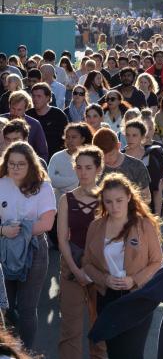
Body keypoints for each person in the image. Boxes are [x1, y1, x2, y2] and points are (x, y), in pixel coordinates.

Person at [82, 172, 162, 359]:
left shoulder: (144, 225)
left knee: (132, 353)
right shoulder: (96, 227)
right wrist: (104, 279)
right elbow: (86, 263)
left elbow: (157, 261)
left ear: (128, 197)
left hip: (138, 297)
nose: (114, 206)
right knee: (115, 352)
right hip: (107, 298)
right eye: (108, 202)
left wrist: (134, 280)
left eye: (119, 200)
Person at [0, 142, 56, 349]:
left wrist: (21, 232)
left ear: (31, 164)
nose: (15, 168)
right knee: (3, 305)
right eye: (11, 163)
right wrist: (3, 231)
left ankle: (25, 352)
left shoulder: (43, 186)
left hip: (34, 250)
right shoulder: (1, 182)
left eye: (20, 164)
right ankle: (6, 351)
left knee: (27, 308)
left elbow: (47, 223)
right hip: (4, 249)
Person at [57, 146, 106, 359]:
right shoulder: (66, 199)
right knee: (71, 327)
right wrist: (76, 270)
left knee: (100, 327)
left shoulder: (107, 199)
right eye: (79, 167)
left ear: (98, 169)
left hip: (101, 267)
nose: (83, 172)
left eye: (88, 167)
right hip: (72, 265)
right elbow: (62, 239)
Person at [92, 128, 151, 205]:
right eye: (102, 156)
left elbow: (146, 197)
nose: (106, 159)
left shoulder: (136, 166)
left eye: (110, 154)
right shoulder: (92, 168)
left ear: (118, 146)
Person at [123, 119, 163, 215]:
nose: (130, 139)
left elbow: (157, 189)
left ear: (142, 136)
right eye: (128, 135)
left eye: (134, 135)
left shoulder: (151, 156)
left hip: (148, 210)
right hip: (124, 210)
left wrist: (157, 215)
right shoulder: (120, 156)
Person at [2, 90, 49, 162]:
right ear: (9, 106)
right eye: (13, 108)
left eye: (19, 110)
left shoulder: (34, 125)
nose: (15, 113)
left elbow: (43, 153)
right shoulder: (1, 121)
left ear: (25, 109)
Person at [26, 83, 68, 160]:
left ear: (47, 97)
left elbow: (66, 138)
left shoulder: (58, 115)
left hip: (54, 158)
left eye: (39, 96)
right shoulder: (28, 115)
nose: (35, 99)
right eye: (33, 96)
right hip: (31, 158)